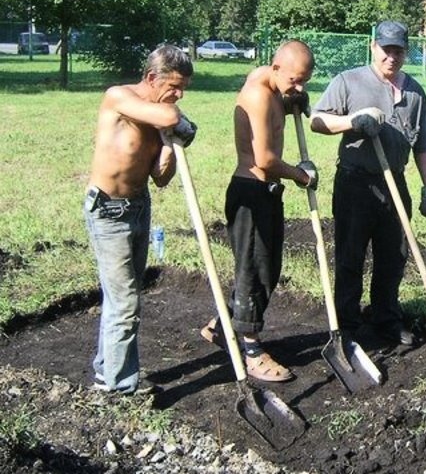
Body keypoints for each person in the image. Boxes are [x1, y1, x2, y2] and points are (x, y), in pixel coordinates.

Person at [310, 20, 426, 347]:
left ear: (406, 52)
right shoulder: (349, 82)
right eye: (386, 50)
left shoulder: (414, 93)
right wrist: (352, 121)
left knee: (393, 257)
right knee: (351, 256)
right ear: (373, 47)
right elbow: (317, 120)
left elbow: (424, 144)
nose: (391, 57)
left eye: (398, 51)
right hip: (356, 184)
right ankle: (348, 327)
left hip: (395, 182)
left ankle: (386, 319)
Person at [200, 40, 317, 383]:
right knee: (256, 271)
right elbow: (264, 159)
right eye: (295, 80)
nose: (299, 87)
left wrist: (293, 96)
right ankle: (250, 349)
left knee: (261, 266)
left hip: (265, 192)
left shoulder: (270, 80)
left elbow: (280, 95)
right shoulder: (259, 94)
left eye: (305, 81)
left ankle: (222, 326)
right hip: (251, 193)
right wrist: (302, 174)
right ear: (276, 67)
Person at [85, 44, 196, 395]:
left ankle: (107, 372)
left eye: (183, 89)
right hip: (107, 211)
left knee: (123, 298)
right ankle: (119, 390)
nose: (178, 95)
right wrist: (179, 121)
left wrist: (168, 147)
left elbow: (161, 179)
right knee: (126, 301)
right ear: (151, 77)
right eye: (174, 86)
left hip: (138, 206)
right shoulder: (119, 97)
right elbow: (168, 117)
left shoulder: (158, 115)